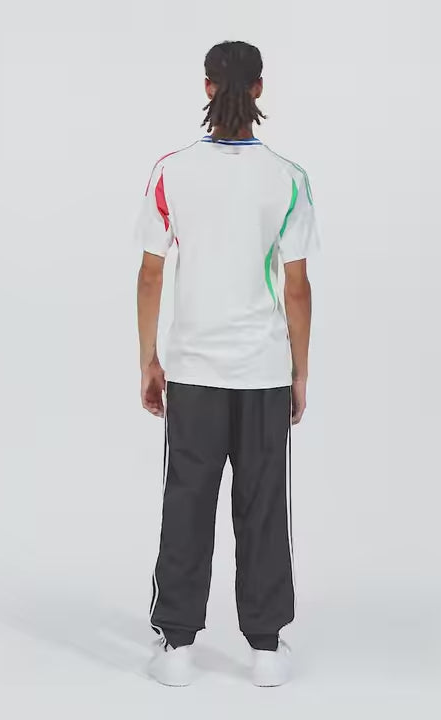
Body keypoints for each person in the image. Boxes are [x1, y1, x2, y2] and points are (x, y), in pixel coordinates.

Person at [135, 40, 320, 687]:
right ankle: (265, 650)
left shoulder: (171, 171)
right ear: (260, 88)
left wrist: (149, 359)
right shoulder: (288, 177)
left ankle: (177, 647)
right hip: (263, 370)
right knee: (263, 503)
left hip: (193, 369)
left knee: (187, 500)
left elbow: (150, 273)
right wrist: (299, 370)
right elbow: (297, 287)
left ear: (207, 86)